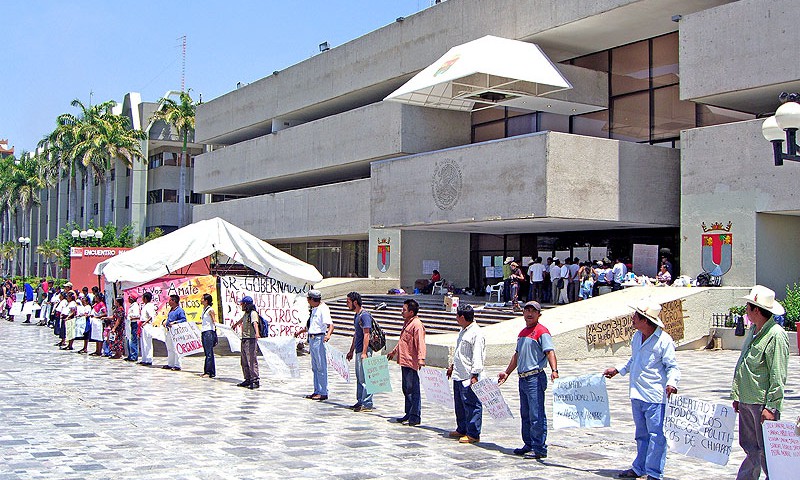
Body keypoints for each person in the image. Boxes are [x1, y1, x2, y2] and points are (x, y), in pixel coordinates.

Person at [603, 300, 680, 480]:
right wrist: (618, 370)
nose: (633, 319)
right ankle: (639, 468)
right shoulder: (637, 337)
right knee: (641, 435)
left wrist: (672, 383)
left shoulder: (664, 341)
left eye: (636, 316)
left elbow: (672, 366)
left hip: (654, 395)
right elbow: (634, 359)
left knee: (657, 436)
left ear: (645, 320)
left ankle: (654, 472)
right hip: (637, 393)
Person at [731, 285, 790, 480]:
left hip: (761, 403)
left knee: (766, 450)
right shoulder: (754, 331)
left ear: (756, 309)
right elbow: (744, 364)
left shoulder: (776, 335)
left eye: (748, 306)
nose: (745, 310)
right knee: (750, 447)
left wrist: (771, 407)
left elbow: (778, 373)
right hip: (747, 399)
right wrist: (737, 395)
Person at [498, 301, 559, 460]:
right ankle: (528, 443)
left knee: (536, 413)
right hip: (522, 378)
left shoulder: (542, 332)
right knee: (525, 413)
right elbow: (516, 355)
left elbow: (549, 352)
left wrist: (554, 370)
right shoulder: (522, 333)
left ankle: (539, 447)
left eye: (533, 311)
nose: (530, 313)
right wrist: (507, 372)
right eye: (527, 310)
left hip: (535, 378)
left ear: (539, 314)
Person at [446, 304, 485, 444]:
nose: (456, 318)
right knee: (460, 404)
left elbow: (478, 356)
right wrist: (452, 366)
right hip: (458, 373)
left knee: (472, 404)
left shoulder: (476, 333)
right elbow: (459, 352)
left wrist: (475, 374)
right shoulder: (463, 331)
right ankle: (462, 428)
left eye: (457, 316)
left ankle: (473, 433)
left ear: (462, 317)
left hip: (469, 376)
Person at [387, 299, 426, 426]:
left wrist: (421, 358)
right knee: (406, 388)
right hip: (404, 360)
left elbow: (420, 343)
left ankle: (415, 415)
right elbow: (402, 341)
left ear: (411, 312)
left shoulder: (417, 325)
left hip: (411, 361)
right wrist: (394, 352)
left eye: (404, 310)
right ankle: (408, 413)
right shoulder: (407, 323)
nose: (401, 312)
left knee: (413, 389)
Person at [295, 289, 333, 400]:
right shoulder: (314, 309)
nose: (307, 301)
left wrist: (328, 335)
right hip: (312, 338)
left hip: (318, 338)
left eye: (308, 299)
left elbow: (330, 325)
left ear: (312, 299)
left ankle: (323, 391)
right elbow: (311, 325)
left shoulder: (323, 309)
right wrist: (300, 332)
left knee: (321, 366)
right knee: (315, 367)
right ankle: (316, 390)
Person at [345, 291, 374, 412]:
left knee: (365, 378)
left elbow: (366, 334)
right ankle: (360, 400)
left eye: (348, 302)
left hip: (364, 351)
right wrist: (351, 350)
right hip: (358, 350)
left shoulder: (364, 315)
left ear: (355, 302)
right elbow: (356, 334)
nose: (347, 304)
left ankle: (367, 403)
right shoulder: (356, 316)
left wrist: (364, 352)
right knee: (359, 377)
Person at [232, 296, 261, 388]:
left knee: (251, 360)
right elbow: (242, 320)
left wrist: (257, 334)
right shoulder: (246, 314)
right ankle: (248, 378)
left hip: (250, 339)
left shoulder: (253, 313)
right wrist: (236, 324)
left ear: (246, 304)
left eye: (242, 304)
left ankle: (255, 380)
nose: (241, 306)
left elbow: (255, 323)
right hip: (244, 339)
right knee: (244, 360)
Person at [163, 294, 186, 371]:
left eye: (170, 300)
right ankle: (170, 363)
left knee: (176, 348)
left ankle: (177, 365)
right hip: (169, 331)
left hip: (176, 332)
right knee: (170, 348)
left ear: (174, 301)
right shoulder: (171, 310)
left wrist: (175, 322)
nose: (168, 302)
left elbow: (183, 320)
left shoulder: (179, 310)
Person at [200, 293, 217, 378]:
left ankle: (208, 372)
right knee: (207, 352)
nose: (201, 300)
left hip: (209, 332)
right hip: (204, 331)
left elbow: (214, 321)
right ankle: (210, 371)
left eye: (202, 299)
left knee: (209, 353)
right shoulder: (204, 309)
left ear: (206, 301)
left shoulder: (210, 310)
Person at [138, 292, 157, 366]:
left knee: (147, 342)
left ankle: (149, 359)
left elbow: (151, 316)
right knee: (143, 342)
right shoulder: (145, 306)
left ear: (145, 298)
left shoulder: (149, 306)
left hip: (147, 325)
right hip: (143, 325)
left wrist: (145, 322)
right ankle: (144, 358)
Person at [125, 294, 141, 362]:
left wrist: (130, 317)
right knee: (129, 339)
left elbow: (137, 316)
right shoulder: (131, 306)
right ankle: (130, 355)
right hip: (129, 324)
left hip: (133, 323)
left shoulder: (135, 306)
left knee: (133, 339)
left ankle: (134, 356)